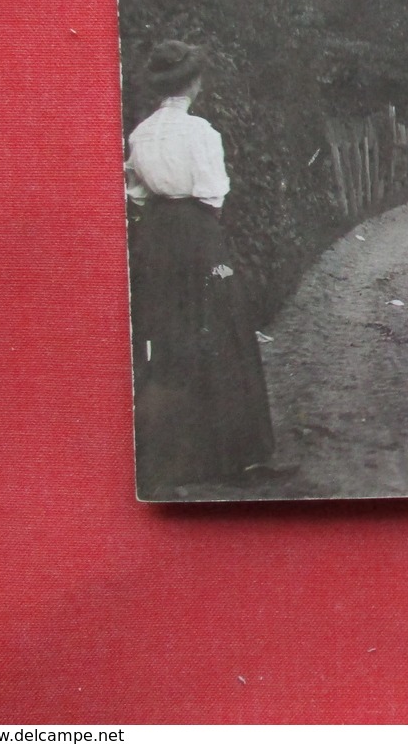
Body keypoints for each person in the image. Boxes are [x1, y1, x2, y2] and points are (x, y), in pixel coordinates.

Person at [124, 41, 279, 498]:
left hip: (156, 239)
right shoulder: (201, 133)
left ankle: (174, 454)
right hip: (198, 235)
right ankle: (232, 452)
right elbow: (213, 195)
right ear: (194, 83)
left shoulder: (140, 134)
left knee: (170, 333)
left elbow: (134, 196)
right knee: (223, 329)